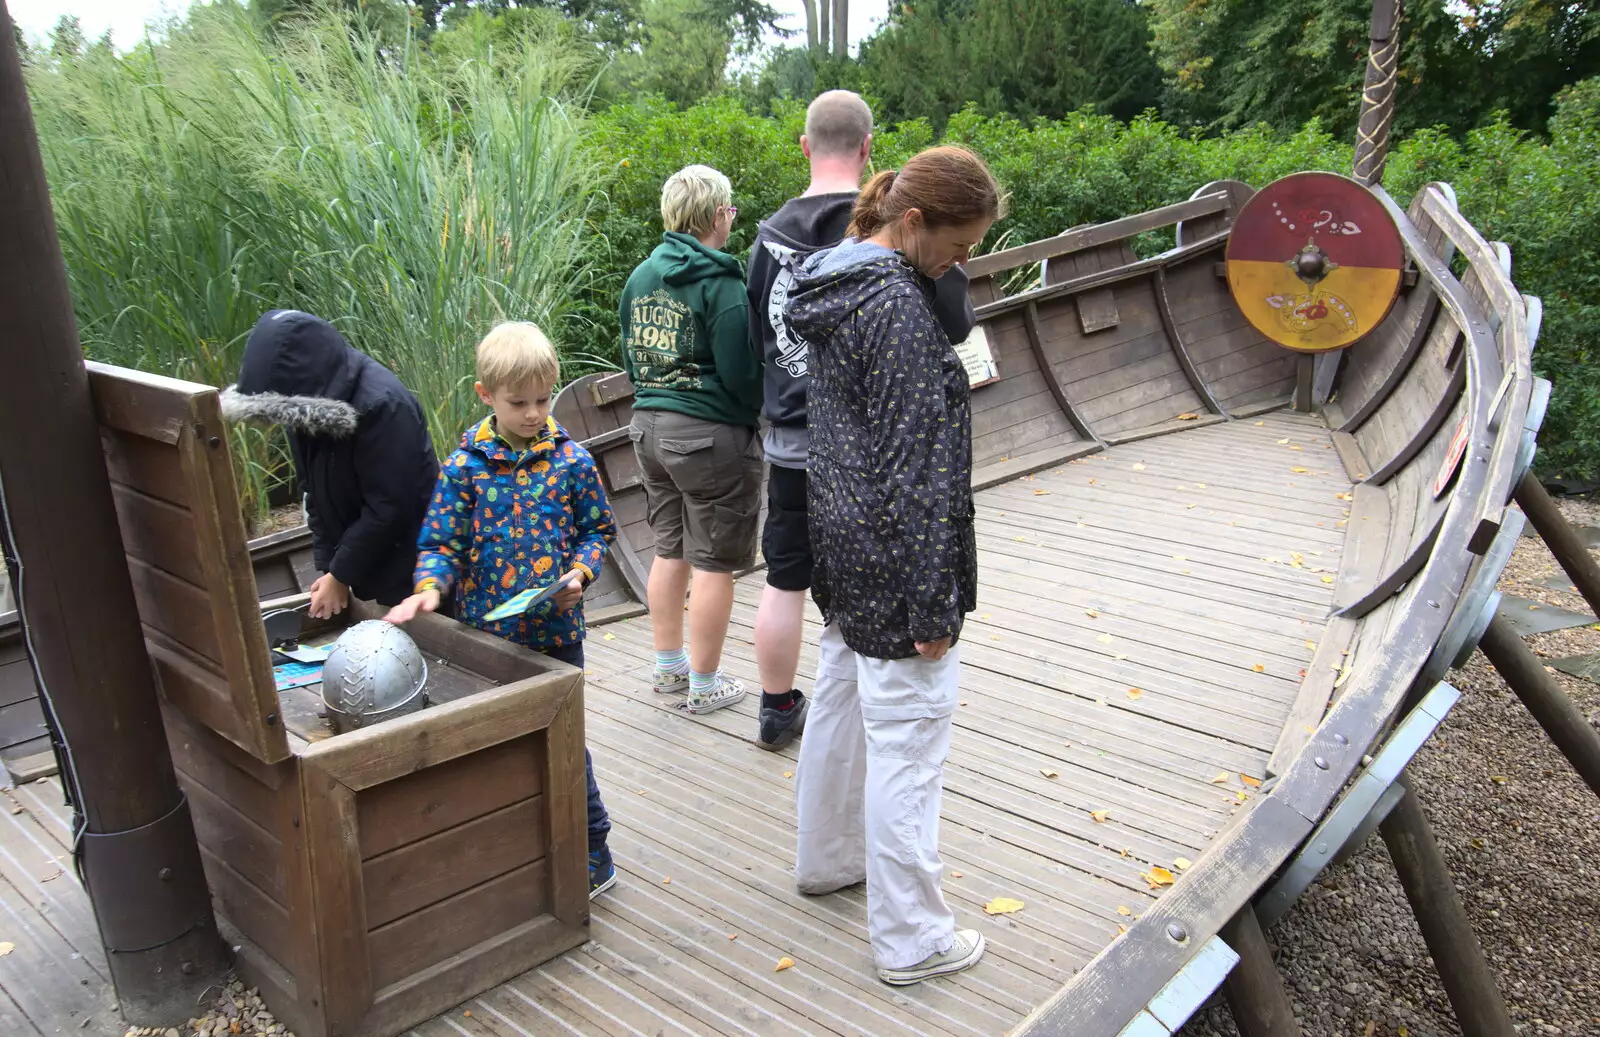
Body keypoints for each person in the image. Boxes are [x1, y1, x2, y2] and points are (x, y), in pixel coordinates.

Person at [785, 146, 1003, 985]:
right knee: (910, 743)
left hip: (841, 535)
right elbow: (915, 473)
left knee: (841, 702)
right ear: (911, 223)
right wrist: (934, 607)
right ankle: (913, 937)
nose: (963, 262)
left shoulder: (834, 285)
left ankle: (828, 857)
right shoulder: (902, 316)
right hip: (895, 555)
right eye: (958, 245)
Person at [746, 91, 977, 752]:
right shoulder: (888, 229)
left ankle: (774, 703)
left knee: (784, 579)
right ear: (870, 146)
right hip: (865, 459)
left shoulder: (767, 238)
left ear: (804, 145)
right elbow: (953, 323)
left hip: (789, 440)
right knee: (859, 588)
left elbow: (753, 337)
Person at [383, 321, 622, 898]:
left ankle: (594, 851)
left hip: (558, 632)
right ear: (485, 395)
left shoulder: (571, 461)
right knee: (496, 747)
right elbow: (442, 543)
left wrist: (579, 574)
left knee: (565, 745)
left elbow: (598, 531)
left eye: (544, 399)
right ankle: (515, 852)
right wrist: (431, 587)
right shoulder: (464, 469)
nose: (535, 413)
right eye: (520, 403)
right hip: (488, 641)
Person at [620, 165, 763, 715]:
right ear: (713, 217)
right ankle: (705, 684)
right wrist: (752, 415)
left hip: (648, 429)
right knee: (713, 561)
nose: (731, 221)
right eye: (729, 212)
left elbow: (634, 359)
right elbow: (741, 373)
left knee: (669, 548)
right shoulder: (720, 282)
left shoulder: (640, 278)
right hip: (707, 437)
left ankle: (669, 669)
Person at [221, 309, 439, 618]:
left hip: (410, 562)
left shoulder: (383, 406)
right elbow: (314, 495)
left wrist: (340, 576)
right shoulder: (303, 414)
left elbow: (390, 508)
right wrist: (328, 568)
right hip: (365, 558)